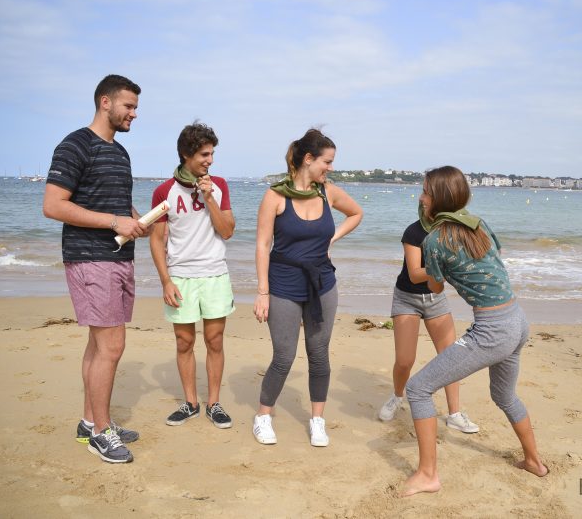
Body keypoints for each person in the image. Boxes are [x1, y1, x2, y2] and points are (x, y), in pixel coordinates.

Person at [402, 166, 548, 497]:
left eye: (424, 191)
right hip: (517, 319)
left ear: (437, 198)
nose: (420, 196)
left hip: (493, 330)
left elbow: (437, 288)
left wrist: (426, 270)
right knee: (504, 396)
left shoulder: (435, 240)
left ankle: (428, 474)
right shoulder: (478, 224)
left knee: (419, 388)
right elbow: (494, 259)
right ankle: (534, 462)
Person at [43, 74, 146, 464]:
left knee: (98, 344)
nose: (133, 114)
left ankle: (90, 422)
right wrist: (114, 223)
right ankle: (102, 433)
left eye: (135, 108)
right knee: (113, 346)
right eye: (129, 106)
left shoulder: (119, 153)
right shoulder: (74, 145)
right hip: (90, 257)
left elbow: (118, 205)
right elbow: (53, 205)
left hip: (119, 257)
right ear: (105, 102)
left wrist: (139, 220)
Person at [252, 128, 362, 447]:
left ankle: (317, 420)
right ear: (309, 159)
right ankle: (263, 416)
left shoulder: (327, 192)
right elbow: (262, 245)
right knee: (284, 356)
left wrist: (332, 238)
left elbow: (356, 214)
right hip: (283, 285)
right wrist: (262, 292)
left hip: (322, 285)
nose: (330, 168)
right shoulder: (275, 195)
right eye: (327, 162)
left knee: (319, 355)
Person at [149, 122, 236, 430]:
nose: (210, 160)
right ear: (187, 154)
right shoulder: (164, 191)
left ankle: (214, 404)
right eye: (204, 154)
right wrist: (165, 280)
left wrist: (209, 196)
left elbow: (226, 231)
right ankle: (191, 403)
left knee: (214, 340)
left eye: (212, 154)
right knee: (184, 342)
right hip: (181, 277)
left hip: (214, 274)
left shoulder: (220, 185)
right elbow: (157, 240)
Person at [378, 213, 480, 435]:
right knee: (405, 360)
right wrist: (448, 267)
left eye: (427, 196)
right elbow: (415, 274)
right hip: (407, 298)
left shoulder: (451, 230)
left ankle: (454, 414)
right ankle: (397, 397)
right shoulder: (414, 231)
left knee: (450, 356)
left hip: (436, 299)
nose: (422, 201)